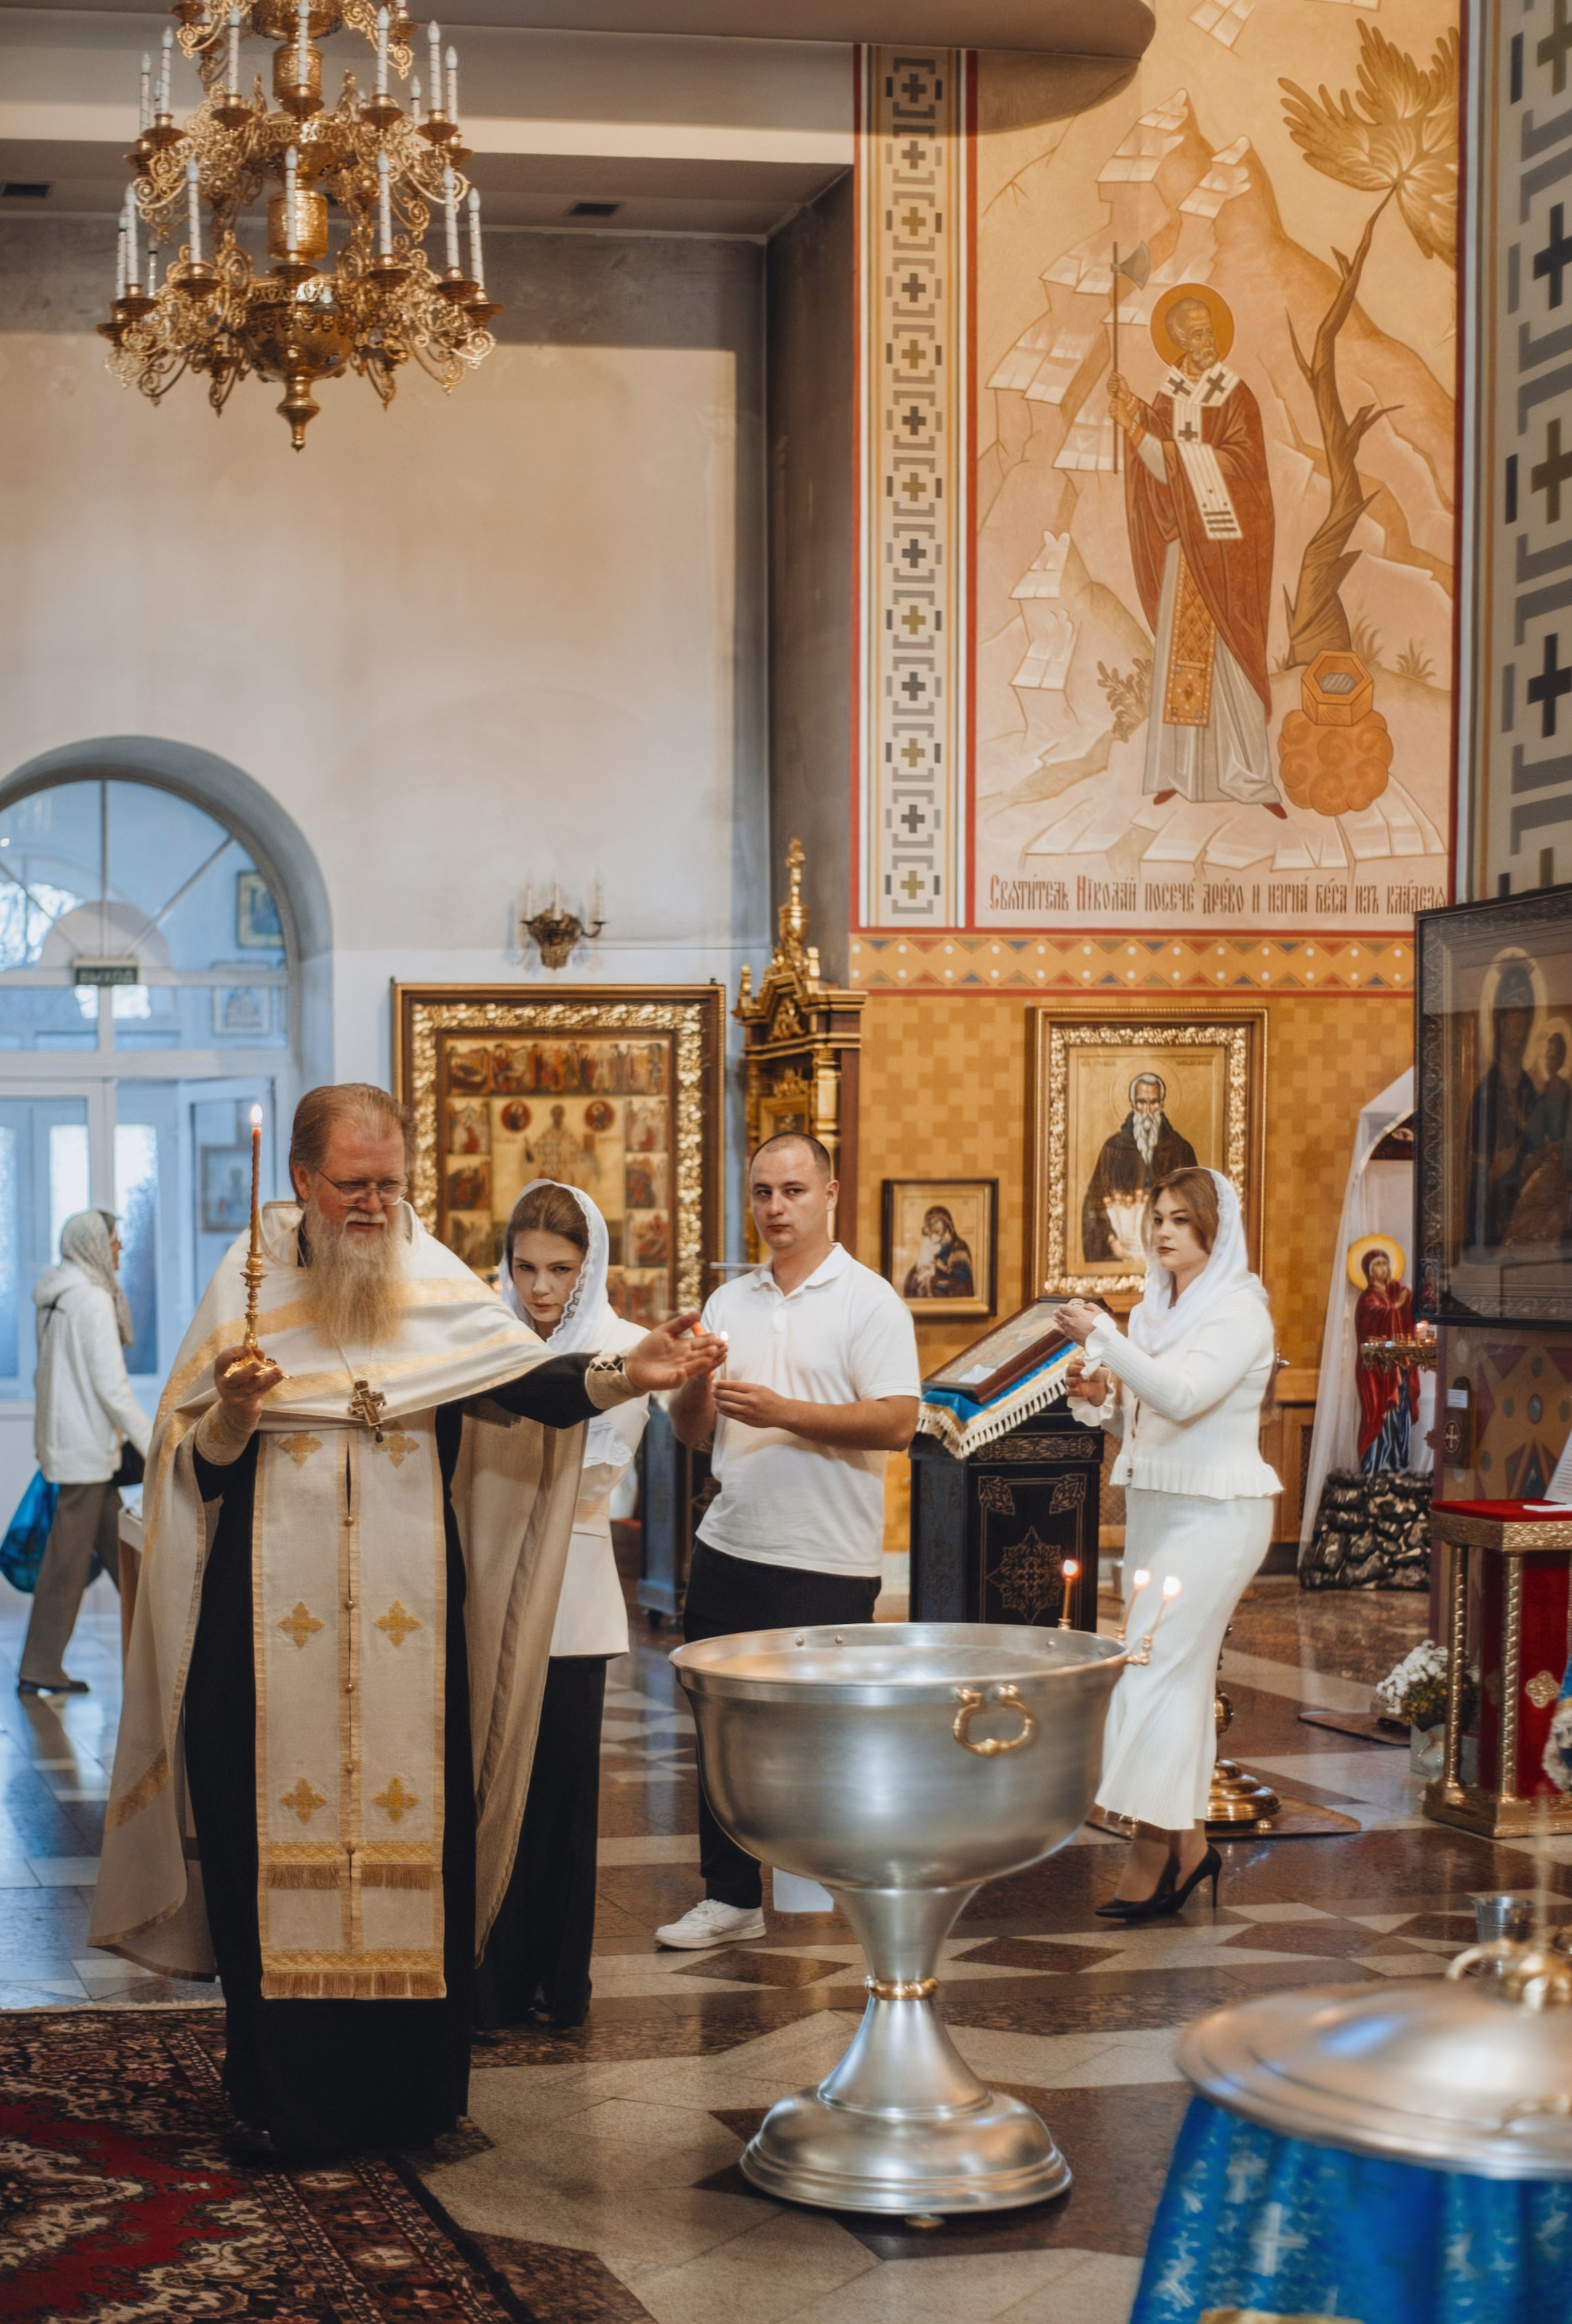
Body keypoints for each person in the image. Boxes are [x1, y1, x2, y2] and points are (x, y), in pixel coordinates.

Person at [90, 1083, 720, 2159]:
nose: (377, 1204)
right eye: (354, 1185)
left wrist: (630, 1371)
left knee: (418, 1846)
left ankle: (418, 2097)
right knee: (264, 1856)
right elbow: (191, 1465)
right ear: (301, 1180)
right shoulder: (244, 1292)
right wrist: (238, 1411)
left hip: (411, 1637)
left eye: (392, 1182)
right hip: (264, 1634)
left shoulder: (435, 1284)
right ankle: (283, 2098)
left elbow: (531, 1384)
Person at [661, 1131, 920, 1949]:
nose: (776, 1207)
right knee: (722, 1729)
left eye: (794, 1191)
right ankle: (730, 1899)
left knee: (817, 1734)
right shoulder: (729, 1302)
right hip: (731, 1543)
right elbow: (694, 1434)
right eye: (763, 1191)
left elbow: (897, 1423)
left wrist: (786, 1413)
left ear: (831, 1193)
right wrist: (694, 1379)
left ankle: (815, 1888)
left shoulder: (869, 1301)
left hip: (825, 1556)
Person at [1057, 1166, 1280, 1922]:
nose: (1163, 1232)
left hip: (1218, 1514)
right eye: (1157, 1217)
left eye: (1182, 1220)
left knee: (1147, 1673)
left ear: (1214, 1231)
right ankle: (1187, 1850)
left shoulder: (1239, 1311)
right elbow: (1155, 1417)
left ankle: (1151, 1856)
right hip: (1159, 1506)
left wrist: (1106, 1342)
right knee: (1173, 1684)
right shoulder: (1157, 1310)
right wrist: (1102, 1404)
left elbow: (1185, 1396)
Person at [474, 1179, 648, 2033]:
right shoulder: (483, 1340)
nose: (541, 1288)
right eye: (526, 1267)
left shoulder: (628, 1347)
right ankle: (493, 1980)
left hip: (575, 1597)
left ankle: (559, 1982)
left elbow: (593, 1477)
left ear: (591, 1269)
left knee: (562, 1801)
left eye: (561, 1271)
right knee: (491, 1795)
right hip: (489, 1590)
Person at [1108, 287, 1286, 817]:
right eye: (1198, 332)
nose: (1208, 341)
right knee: (1182, 661)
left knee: (1233, 659)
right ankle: (1177, 771)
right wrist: (1134, 412)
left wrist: (1150, 438)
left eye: (1212, 331)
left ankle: (1249, 777)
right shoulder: (1170, 395)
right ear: (1179, 339)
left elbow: (1244, 469)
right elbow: (1160, 462)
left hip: (1228, 553)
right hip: (1186, 551)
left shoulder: (1236, 394)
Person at [18, 1211, 152, 1697]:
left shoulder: (55, 1300)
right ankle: (39, 1666)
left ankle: (159, 1645)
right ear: (95, 1244)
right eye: (114, 1241)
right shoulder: (93, 1301)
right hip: (88, 1454)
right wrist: (157, 1446)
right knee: (67, 1565)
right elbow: (112, 1389)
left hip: (73, 1448)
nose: (119, 1250)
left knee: (128, 1556)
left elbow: (45, 1380)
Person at [1081, 1074, 1199, 1263]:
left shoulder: (1180, 1149)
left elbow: (1196, 1204)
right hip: (1123, 1252)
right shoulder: (1113, 1149)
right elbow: (1094, 1204)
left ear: (1162, 1104)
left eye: (1153, 1103)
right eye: (1141, 1102)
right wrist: (1112, 1242)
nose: (1147, 1110)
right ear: (1132, 1104)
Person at [1352, 1246, 1419, 1473]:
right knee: (1378, 1414)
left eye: (1385, 1263)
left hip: (1398, 1365)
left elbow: (1407, 1301)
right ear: (1369, 1272)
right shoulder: (1368, 1299)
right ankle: (1375, 1466)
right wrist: (1396, 1307)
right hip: (1375, 1370)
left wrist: (1405, 1300)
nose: (1383, 1268)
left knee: (1401, 1410)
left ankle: (1397, 1465)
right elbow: (1374, 1320)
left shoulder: (1394, 1292)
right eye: (1377, 1265)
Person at [902, 1205, 975, 1300]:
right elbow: (924, 1263)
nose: (934, 1227)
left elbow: (966, 1277)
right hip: (933, 1290)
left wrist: (945, 1269)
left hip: (951, 1294)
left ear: (946, 1222)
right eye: (930, 1224)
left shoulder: (959, 1247)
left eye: (936, 1222)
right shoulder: (933, 1245)